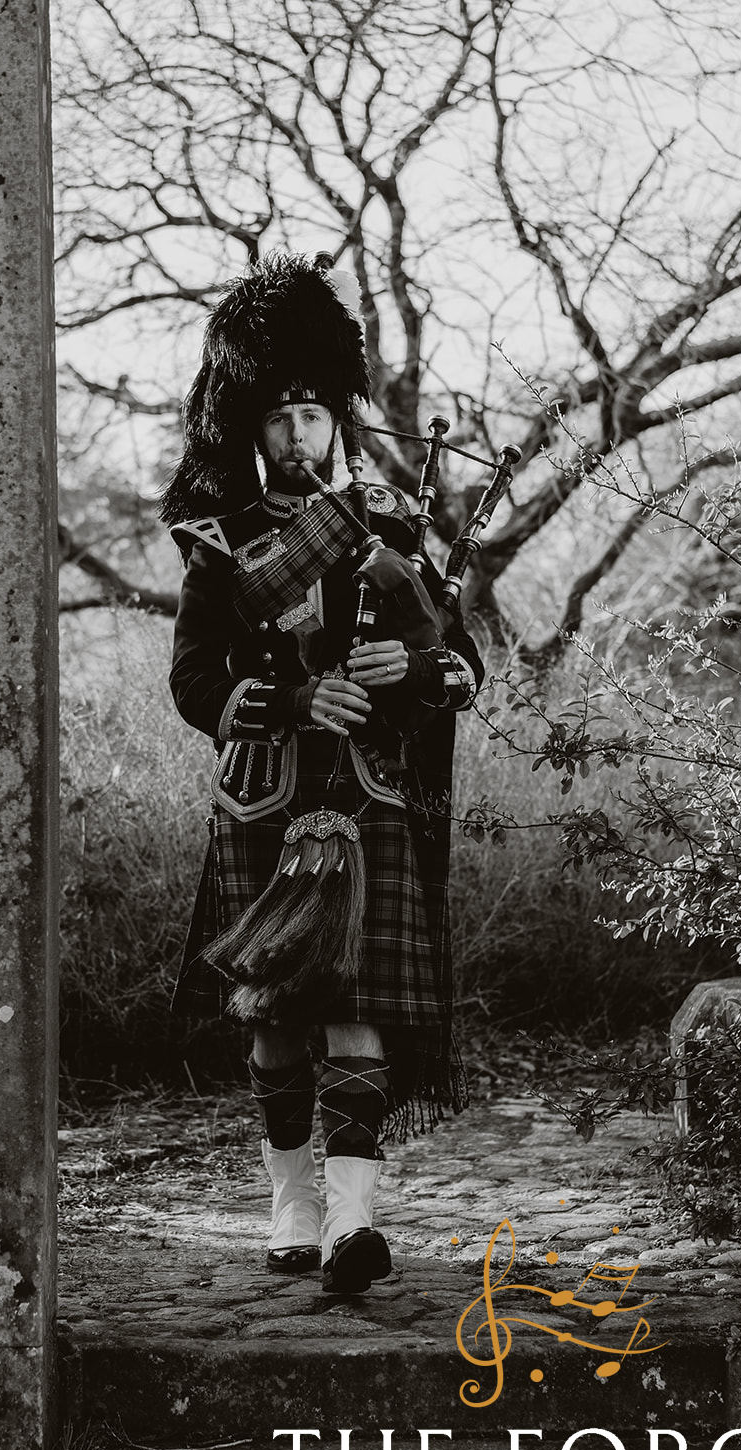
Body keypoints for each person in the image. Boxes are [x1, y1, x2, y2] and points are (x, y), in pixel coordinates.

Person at [163, 253, 484, 1296]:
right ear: (250, 431)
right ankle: (290, 1204)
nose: (297, 436)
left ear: (337, 420)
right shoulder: (220, 545)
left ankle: (352, 1222)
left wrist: (411, 670)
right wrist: (294, 699)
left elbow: (461, 666)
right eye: (277, 421)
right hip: (266, 796)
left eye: (311, 416)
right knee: (272, 1016)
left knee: (355, 1010)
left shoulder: (393, 523)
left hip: (366, 795)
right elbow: (193, 681)